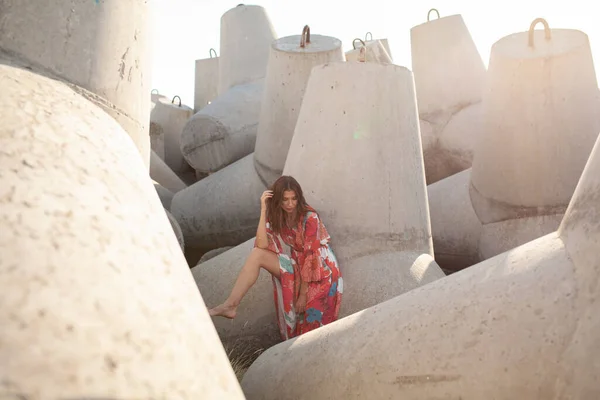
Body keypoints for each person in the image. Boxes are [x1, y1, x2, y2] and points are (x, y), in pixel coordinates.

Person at [209, 176, 343, 339]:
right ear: (278, 200)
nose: (290, 204)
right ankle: (231, 304)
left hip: (320, 269)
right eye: (285, 199)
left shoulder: (309, 217)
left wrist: (302, 294)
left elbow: (311, 256)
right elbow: (261, 244)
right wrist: (264, 210)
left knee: (310, 325)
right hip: (298, 264)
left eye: (294, 198)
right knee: (257, 255)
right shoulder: (278, 216)